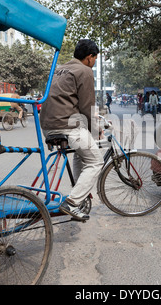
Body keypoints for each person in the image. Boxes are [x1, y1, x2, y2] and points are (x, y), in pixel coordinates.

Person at [40, 39, 103, 221]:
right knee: (96, 162)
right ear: (90, 57)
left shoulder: (60, 68)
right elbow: (87, 107)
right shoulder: (85, 71)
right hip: (66, 126)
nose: (94, 62)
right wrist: (96, 129)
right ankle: (72, 202)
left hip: (47, 126)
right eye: (95, 59)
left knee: (80, 153)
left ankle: (79, 194)